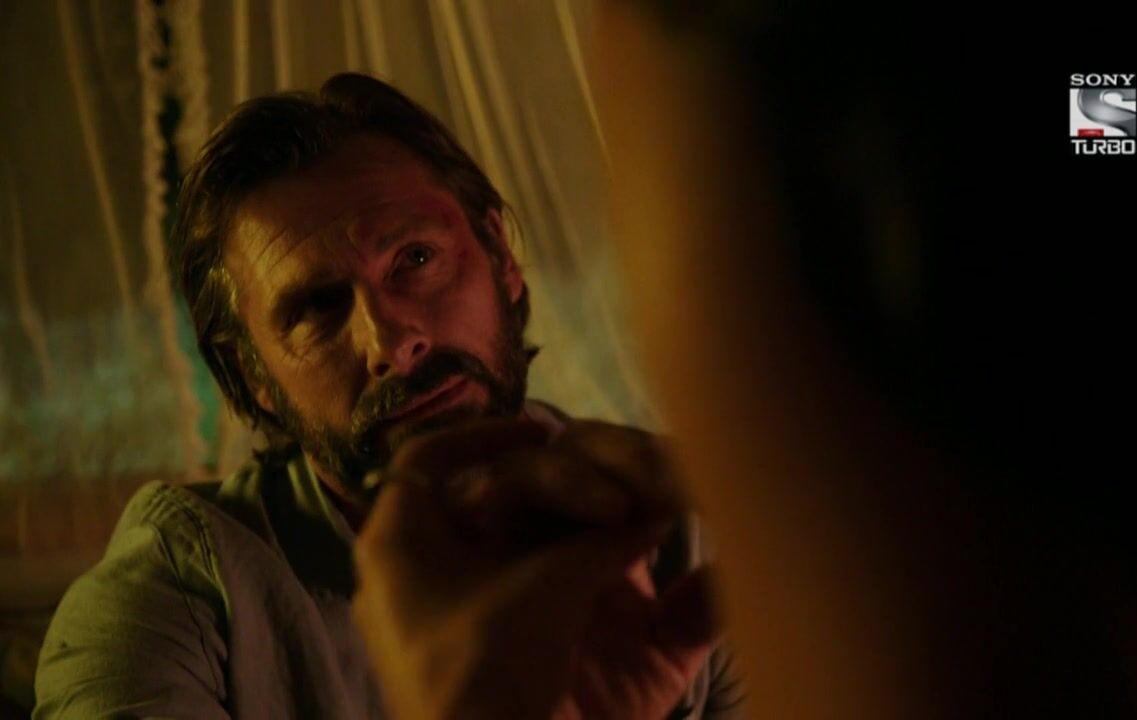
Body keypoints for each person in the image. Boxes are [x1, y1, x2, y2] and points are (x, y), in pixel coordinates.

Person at [34, 73, 744, 718]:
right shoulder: (171, 600)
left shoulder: (669, 529)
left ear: (501, 258)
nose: (391, 342)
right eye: (317, 306)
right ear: (254, 377)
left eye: (416, 258)